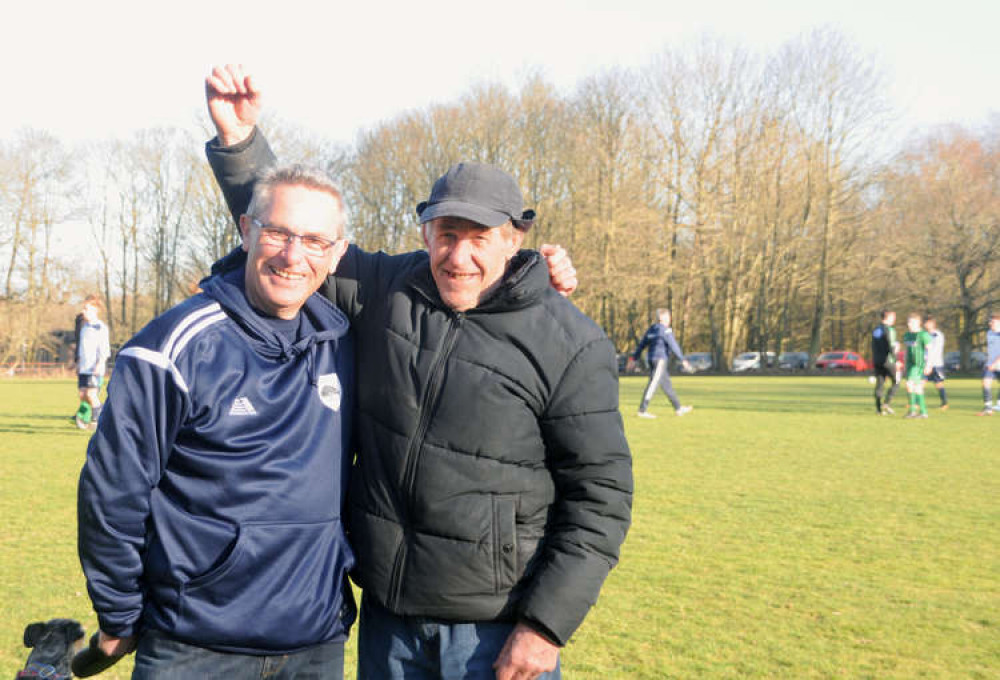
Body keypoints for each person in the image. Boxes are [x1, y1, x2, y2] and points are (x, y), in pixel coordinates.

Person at [204, 64, 632, 680]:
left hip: (497, 631)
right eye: (446, 233)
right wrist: (241, 143)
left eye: (480, 237)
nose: (459, 256)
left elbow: (602, 496)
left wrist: (544, 627)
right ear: (426, 231)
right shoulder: (386, 288)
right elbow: (294, 236)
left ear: (515, 240)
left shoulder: (570, 342)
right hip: (387, 621)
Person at [77, 165, 357, 679]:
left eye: (316, 240)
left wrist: (538, 272)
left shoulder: (343, 343)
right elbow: (113, 492)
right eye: (278, 233)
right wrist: (118, 613)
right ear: (247, 230)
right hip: (195, 647)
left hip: (316, 644)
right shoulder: (172, 347)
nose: (294, 256)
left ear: (339, 253)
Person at [627, 308, 692, 418]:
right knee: (653, 383)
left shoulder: (652, 329)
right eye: (668, 317)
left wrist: (634, 358)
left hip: (652, 359)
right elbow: (673, 345)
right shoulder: (665, 330)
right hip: (660, 360)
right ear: (664, 318)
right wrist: (682, 359)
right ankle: (642, 410)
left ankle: (678, 408)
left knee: (667, 385)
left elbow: (641, 345)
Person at [73, 295, 111, 430]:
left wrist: (100, 363)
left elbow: (104, 349)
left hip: (94, 368)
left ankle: (97, 419)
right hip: (84, 367)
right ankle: (87, 416)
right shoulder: (84, 328)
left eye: (86, 308)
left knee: (91, 394)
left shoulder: (101, 328)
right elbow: (82, 348)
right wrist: (78, 363)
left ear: (95, 310)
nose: (83, 311)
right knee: (83, 395)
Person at [902, 312, 932, 419]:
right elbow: (907, 350)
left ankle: (912, 411)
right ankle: (923, 412)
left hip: (918, 364)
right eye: (909, 322)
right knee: (918, 388)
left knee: (909, 384)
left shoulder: (923, 335)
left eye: (912, 322)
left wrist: (928, 365)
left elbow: (930, 350)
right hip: (910, 364)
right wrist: (904, 363)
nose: (910, 324)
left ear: (918, 323)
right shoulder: (907, 335)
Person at [871, 309, 900, 415]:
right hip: (888, 360)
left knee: (880, 384)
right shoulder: (890, 330)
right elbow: (891, 346)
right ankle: (886, 403)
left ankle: (878, 410)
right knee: (896, 382)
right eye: (893, 317)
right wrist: (896, 360)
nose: (894, 320)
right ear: (888, 317)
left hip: (877, 360)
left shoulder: (876, 330)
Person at [976, 312, 1000, 416]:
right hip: (990, 364)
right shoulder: (989, 333)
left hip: (997, 363)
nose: (991, 323)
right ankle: (988, 408)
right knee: (985, 383)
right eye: (990, 321)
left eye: (993, 322)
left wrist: (995, 363)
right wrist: (988, 361)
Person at [922, 316, 948, 410]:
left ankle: (944, 403)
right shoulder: (923, 334)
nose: (926, 324)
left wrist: (930, 363)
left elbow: (935, 350)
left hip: (936, 364)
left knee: (938, 384)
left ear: (933, 324)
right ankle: (916, 403)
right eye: (925, 322)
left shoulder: (938, 335)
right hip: (925, 363)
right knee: (921, 382)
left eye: (928, 322)